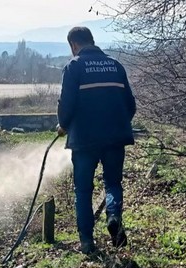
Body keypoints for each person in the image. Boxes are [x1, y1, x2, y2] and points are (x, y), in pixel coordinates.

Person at [57, 26, 136, 254]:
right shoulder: (116, 66)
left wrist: (63, 125)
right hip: (115, 138)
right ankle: (113, 216)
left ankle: (87, 242)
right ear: (92, 41)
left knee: (83, 190)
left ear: (74, 45)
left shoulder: (73, 67)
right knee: (112, 183)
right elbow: (130, 106)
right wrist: (117, 124)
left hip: (84, 141)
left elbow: (67, 106)